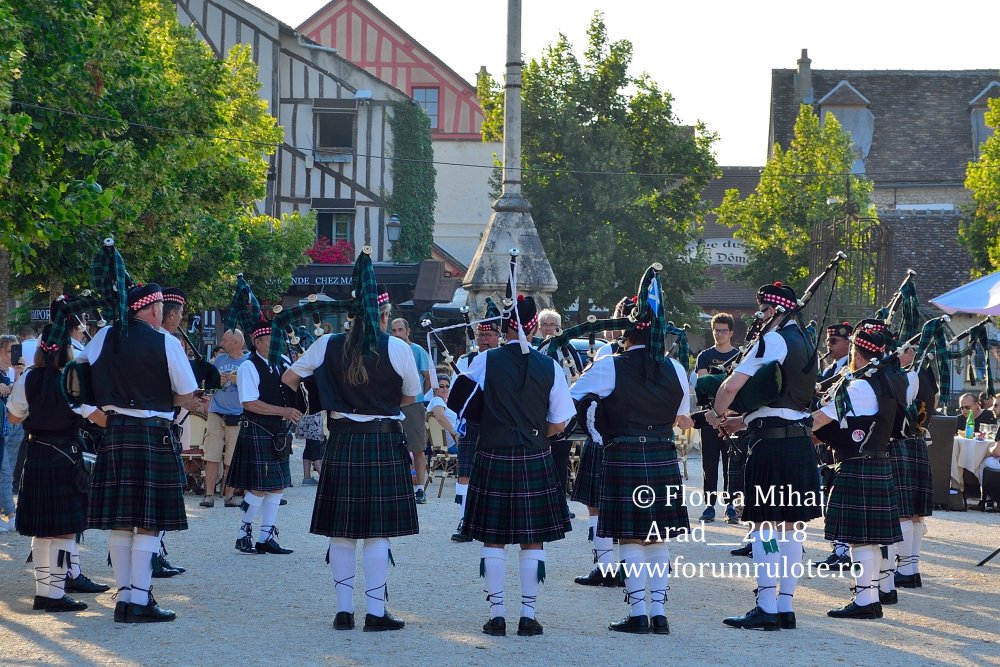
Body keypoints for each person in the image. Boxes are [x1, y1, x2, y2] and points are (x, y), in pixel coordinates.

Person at [283, 259, 421, 632]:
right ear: (383, 313)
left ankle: (344, 612)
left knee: (341, 531)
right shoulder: (398, 347)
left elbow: (289, 377)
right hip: (381, 440)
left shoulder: (327, 343)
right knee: (377, 532)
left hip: (342, 441)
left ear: (351, 315)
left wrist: (319, 399)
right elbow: (411, 396)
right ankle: (376, 613)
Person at [570, 270, 692, 635]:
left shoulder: (610, 365)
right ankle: (659, 613)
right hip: (662, 454)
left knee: (630, 537)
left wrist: (598, 431)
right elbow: (681, 414)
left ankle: (638, 614)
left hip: (623, 453)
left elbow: (573, 399)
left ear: (626, 333)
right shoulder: (675, 368)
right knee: (656, 536)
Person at [450, 295, 575, 637]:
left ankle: (496, 615)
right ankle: (528, 616)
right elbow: (561, 421)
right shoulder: (549, 366)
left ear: (506, 326)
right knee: (532, 540)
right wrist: (538, 437)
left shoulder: (485, 360)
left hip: (493, 453)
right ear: (534, 328)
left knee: (493, 539)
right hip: (534, 454)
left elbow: (459, 406)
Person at [77, 283, 199, 623]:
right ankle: (140, 600)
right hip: (151, 435)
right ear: (154, 309)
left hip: (115, 433)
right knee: (148, 522)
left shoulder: (104, 337)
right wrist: (161, 398)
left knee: (121, 521)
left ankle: (124, 598)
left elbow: (72, 379)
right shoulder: (166, 342)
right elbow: (188, 393)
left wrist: (92, 411)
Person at [711, 281, 822, 631]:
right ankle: (785, 607)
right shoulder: (806, 342)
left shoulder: (772, 340)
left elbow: (731, 387)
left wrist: (716, 414)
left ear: (774, 310)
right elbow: (781, 401)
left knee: (764, 528)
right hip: (799, 443)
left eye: (762, 309)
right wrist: (741, 420)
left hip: (771, 448)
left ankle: (765, 606)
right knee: (790, 530)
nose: (759, 315)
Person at [812, 328, 903, 619]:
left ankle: (865, 602)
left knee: (859, 539)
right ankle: (871, 596)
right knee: (871, 540)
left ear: (858, 354)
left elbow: (820, 418)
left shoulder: (859, 386)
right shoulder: (888, 380)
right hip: (877, 461)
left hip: (858, 463)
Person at [6, 324, 93, 612]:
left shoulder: (28, 376)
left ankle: (44, 593)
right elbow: (90, 414)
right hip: (66, 455)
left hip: (37, 454)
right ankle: (55, 595)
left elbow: (14, 417)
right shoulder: (73, 377)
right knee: (66, 531)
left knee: (43, 531)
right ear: (66, 350)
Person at [571, 296, 636, 588]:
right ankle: (614, 566)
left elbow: (580, 393)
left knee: (600, 505)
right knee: (614, 505)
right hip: (628, 439)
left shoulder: (608, 355)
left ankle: (609, 566)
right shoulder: (661, 358)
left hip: (605, 437)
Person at [228, 318, 300, 555]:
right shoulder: (248, 367)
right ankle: (242, 535)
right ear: (258, 342)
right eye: (272, 340)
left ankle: (266, 537)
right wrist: (283, 411)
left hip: (279, 431)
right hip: (258, 428)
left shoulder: (283, 363)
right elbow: (249, 403)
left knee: (277, 487)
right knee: (259, 487)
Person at [449, 306, 501, 542]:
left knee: (497, 474)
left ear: (498, 336)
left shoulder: (503, 360)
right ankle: (465, 521)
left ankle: (495, 521)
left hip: (497, 422)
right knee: (465, 473)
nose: (484, 339)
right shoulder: (464, 360)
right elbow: (455, 395)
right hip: (471, 423)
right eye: (480, 335)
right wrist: (456, 427)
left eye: (488, 335)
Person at [889, 344, 935, 591]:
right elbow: (934, 401)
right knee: (914, 510)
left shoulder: (903, 375)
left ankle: (907, 568)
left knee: (906, 510)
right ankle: (910, 568)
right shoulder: (923, 374)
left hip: (900, 442)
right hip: (916, 441)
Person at [534, 308, 582, 516]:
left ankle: (561, 503)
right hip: (539, 413)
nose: (549, 328)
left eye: (552, 324)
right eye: (545, 324)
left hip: (563, 413)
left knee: (561, 460)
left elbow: (578, 378)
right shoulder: (534, 349)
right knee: (540, 459)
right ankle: (540, 502)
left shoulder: (568, 349)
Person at [817, 321, 855, 571]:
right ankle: (838, 549)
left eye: (834, 342)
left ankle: (845, 551)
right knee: (830, 496)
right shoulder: (829, 368)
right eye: (828, 341)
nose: (829, 346)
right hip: (826, 440)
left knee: (843, 500)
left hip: (844, 439)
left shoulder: (851, 372)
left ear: (848, 343)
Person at [695, 313, 740, 523]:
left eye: (723, 330)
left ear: (731, 332)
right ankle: (709, 504)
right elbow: (704, 382)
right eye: (716, 330)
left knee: (731, 462)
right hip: (710, 416)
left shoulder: (740, 355)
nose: (719, 334)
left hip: (732, 416)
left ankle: (730, 505)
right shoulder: (704, 356)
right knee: (709, 463)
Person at [201, 329, 248, 507]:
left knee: (232, 458)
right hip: (216, 412)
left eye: (225, 340)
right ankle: (209, 495)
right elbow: (207, 384)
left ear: (236, 342)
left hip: (237, 415)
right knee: (211, 455)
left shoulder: (248, 362)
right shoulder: (219, 359)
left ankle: (229, 495)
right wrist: (215, 382)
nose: (221, 342)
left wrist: (239, 381)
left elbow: (255, 388)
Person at [390, 317, 433, 504]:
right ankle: (396, 486)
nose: (397, 334)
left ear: (408, 331)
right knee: (392, 447)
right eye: (394, 330)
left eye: (400, 330)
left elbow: (428, 377)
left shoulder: (417, 350)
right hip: (391, 405)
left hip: (413, 406)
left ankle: (419, 489)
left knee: (417, 447)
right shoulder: (389, 349)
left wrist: (418, 396)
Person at [0, 334, 24, 533]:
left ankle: (7, 512)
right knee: (5, 472)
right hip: (3, 427)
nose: (13, 355)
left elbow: (17, 396)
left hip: (13, 427)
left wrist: (18, 374)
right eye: (10, 351)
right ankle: (11, 514)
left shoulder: (10, 372)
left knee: (8, 473)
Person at [427, 374, 460, 452]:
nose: (445, 388)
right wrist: (455, 433)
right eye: (441, 386)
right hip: (452, 444)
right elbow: (439, 417)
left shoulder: (444, 402)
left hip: (452, 443)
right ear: (435, 388)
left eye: (447, 386)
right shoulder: (437, 400)